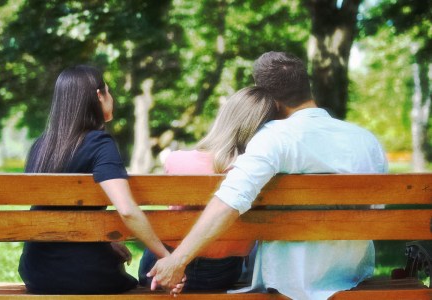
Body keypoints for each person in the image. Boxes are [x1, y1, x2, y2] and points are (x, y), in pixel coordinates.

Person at [147, 51, 388, 300]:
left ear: (269, 102)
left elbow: (231, 199)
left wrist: (178, 260)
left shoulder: (274, 138)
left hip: (288, 282)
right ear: (308, 88)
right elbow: (376, 208)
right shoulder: (365, 139)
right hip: (352, 274)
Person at [18, 65, 172, 295]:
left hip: (36, 272)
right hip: (84, 274)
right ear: (99, 96)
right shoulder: (101, 144)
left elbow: (53, 211)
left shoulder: (41, 146)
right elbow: (127, 210)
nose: (112, 98)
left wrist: (105, 241)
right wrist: (167, 258)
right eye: (108, 92)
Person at [138, 86, 277, 291]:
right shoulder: (265, 175)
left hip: (163, 267)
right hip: (224, 273)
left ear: (226, 119)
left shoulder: (178, 161)